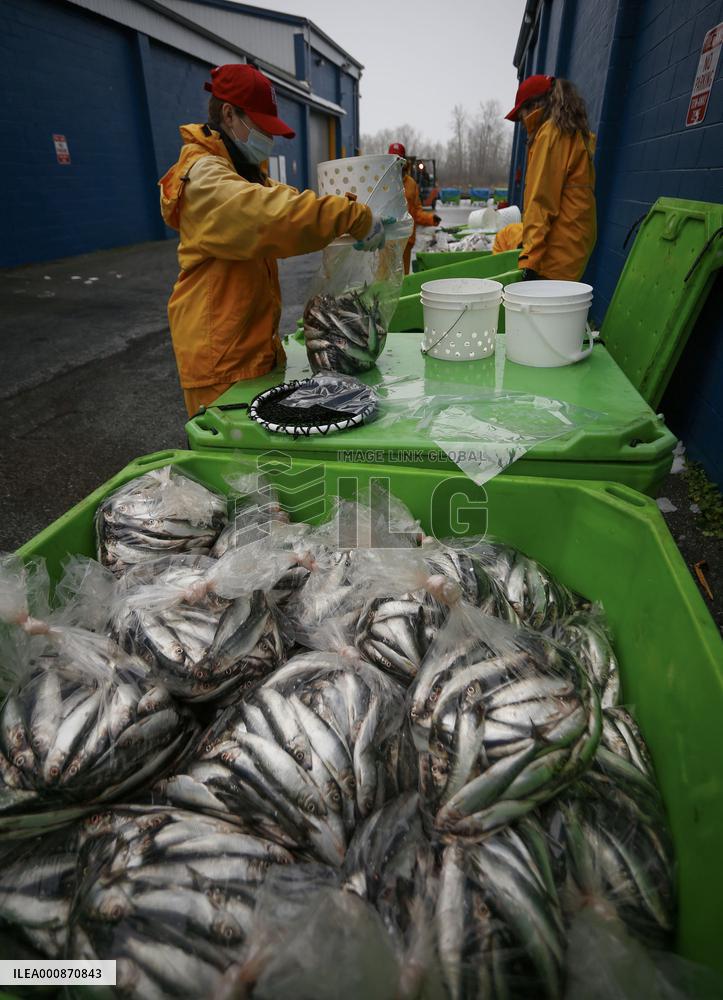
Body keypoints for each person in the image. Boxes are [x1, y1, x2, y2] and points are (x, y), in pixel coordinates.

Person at [159, 64, 383, 416]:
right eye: (262, 127)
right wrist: (350, 217)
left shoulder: (241, 174)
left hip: (250, 351)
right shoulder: (205, 177)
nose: (269, 138)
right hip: (221, 362)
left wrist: (350, 209)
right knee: (228, 448)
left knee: (258, 444)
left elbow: (289, 199)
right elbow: (271, 215)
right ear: (229, 114)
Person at [505, 75, 596, 281]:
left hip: (556, 251)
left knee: (541, 303)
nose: (522, 123)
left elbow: (541, 201)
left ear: (534, 106)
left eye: (521, 115)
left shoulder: (550, 134)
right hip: (573, 245)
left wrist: (529, 260)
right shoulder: (571, 132)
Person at [388, 143, 442, 274]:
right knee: (383, 277)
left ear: (404, 160)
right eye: (393, 158)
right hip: (386, 240)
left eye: (399, 158)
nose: (396, 162)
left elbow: (416, 211)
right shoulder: (382, 182)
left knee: (403, 277)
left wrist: (431, 218)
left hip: (406, 239)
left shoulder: (411, 184)